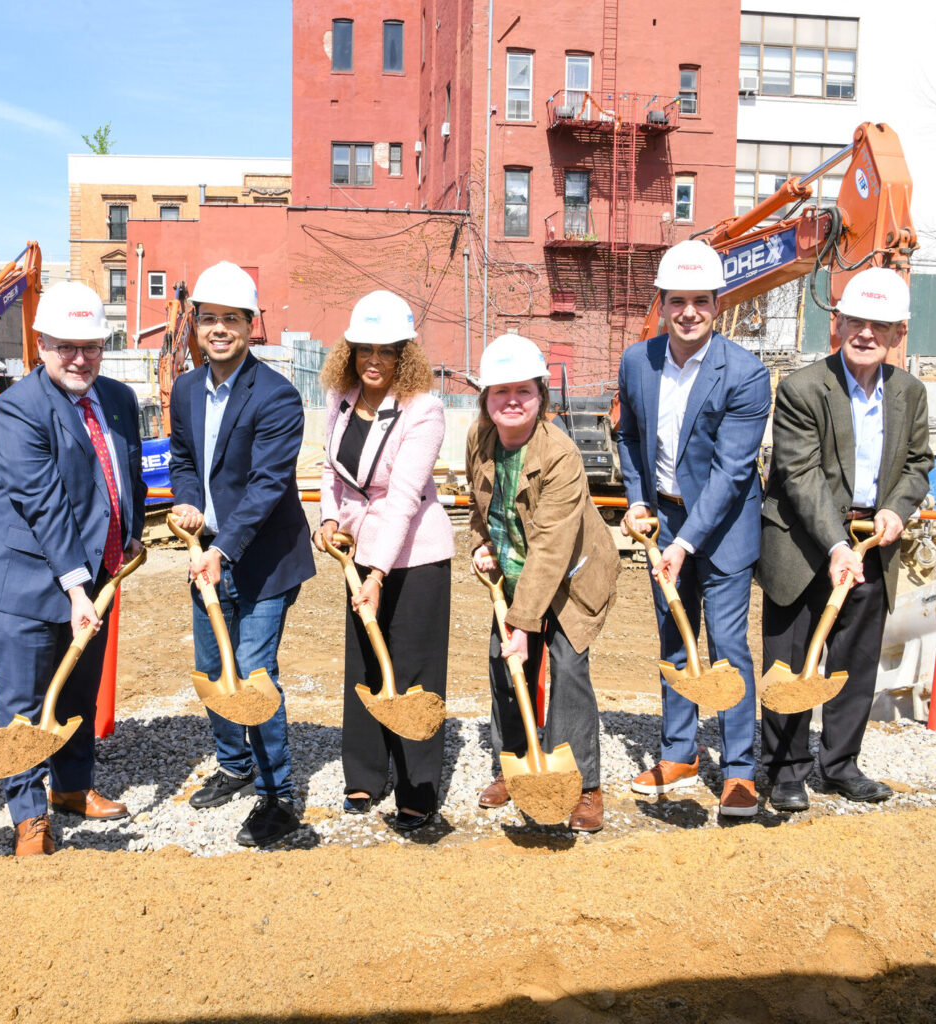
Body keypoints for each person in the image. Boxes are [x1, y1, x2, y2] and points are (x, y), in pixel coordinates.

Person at [0, 281, 146, 857]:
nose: (79, 358)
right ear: (40, 345)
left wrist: (131, 536)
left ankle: (72, 787)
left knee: (78, 690)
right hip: (25, 577)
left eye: (90, 345)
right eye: (65, 345)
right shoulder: (20, 405)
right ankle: (28, 814)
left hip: (95, 572)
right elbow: (44, 500)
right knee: (24, 702)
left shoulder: (117, 399)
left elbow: (126, 478)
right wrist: (75, 585)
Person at [758, 267, 933, 812]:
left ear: (898, 335)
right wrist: (836, 547)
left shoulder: (910, 392)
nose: (865, 333)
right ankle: (785, 769)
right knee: (791, 659)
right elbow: (798, 474)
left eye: (879, 326)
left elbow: (918, 464)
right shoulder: (802, 388)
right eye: (855, 321)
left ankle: (840, 764)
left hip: (872, 541)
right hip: (803, 544)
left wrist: (897, 511)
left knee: (853, 660)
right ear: (837, 324)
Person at [614, 239, 771, 818]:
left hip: (724, 526)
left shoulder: (746, 374)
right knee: (675, 640)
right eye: (677, 301)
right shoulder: (638, 361)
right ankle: (680, 752)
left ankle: (738, 771)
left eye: (700, 301)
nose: (688, 313)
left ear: (717, 303)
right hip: (665, 518)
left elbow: (732, 473)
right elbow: (629, 437)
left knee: (728, 646)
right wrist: (636, 501)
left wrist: (683, 543)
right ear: (662, 302)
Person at [167, 261, 316, 848]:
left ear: (252, 326)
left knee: (254, 673)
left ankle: (278, 795)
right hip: (208, 551)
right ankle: (234, 764)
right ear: (196, 326)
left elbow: (268, 484)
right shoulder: (183, 389)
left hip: (265, 560)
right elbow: (183, 459)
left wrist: (223, 549)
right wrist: (186, 504)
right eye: (210, 319)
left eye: (232, 319)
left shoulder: (277, 397)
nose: (220, 329)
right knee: (211, 668)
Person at [464, 334, 619, 833]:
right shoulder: (478, 440)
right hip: (513, 571)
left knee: (568, 670)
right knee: (504, 664)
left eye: (524, 391)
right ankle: (515, 764)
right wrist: (478, 546)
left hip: (572, 576)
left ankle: (586, 787)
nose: (512, 400)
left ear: (541, 397)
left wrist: (524, 624)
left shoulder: (562, 454)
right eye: (500, 390)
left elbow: (552, 547)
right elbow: (478, 508)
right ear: (486, 399)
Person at [312, 289, 453, 832]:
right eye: (364, 349)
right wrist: (328, 520)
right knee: (365, 664)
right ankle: (367, 773)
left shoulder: (426, 410)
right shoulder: (341, 398)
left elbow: (402, 500)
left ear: (405, 354)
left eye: (386, 350)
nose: (373, 360)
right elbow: (328, 470)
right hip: (359, 545)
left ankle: (418, 783)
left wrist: (376, 575)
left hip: (414, 553)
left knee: (414, 669)